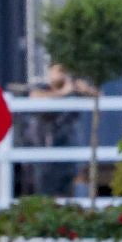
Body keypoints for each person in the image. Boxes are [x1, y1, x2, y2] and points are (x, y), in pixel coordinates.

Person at [23, 62, 94, 197]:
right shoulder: (42, 88)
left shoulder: (74, 91)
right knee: (45, 184)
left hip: (69, 143)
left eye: (64, 72)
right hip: (44, 143)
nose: (62, 75)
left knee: (74, 179)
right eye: (58, 71)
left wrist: (85, 89)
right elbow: (35, 96)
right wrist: (63, 92)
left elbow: (98, 96)